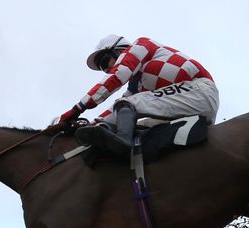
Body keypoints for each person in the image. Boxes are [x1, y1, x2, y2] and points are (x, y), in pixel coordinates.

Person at [54, 35, 219, 155]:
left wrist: (77, 109)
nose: (106, 69)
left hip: (200, 91)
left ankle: (123, 143)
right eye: (103, 68)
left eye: (104, 62)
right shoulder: (137, 86)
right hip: (188, 106)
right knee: (137, 126)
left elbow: (116, 77)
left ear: (119, 50)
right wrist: (91, 126)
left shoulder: (141, 45)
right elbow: (115, 111)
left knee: (127, 105)